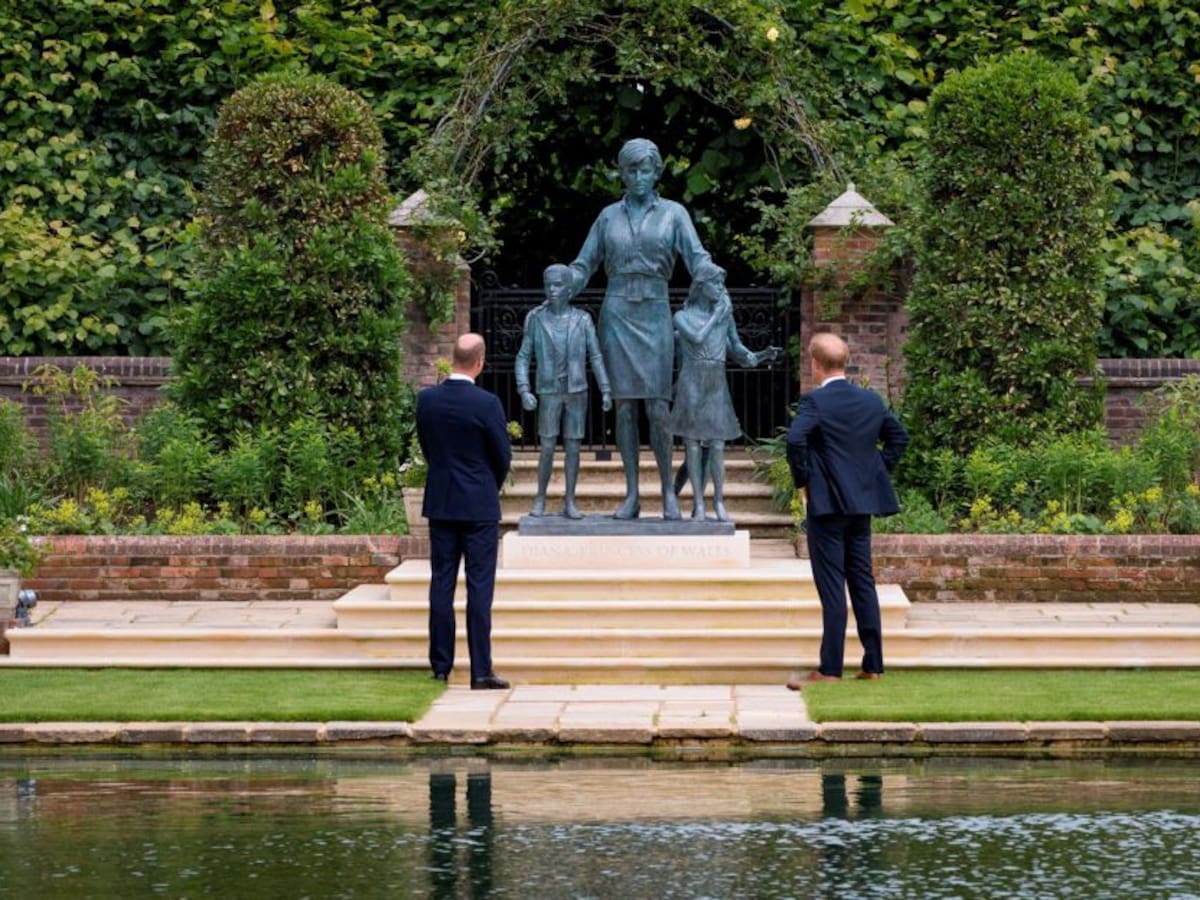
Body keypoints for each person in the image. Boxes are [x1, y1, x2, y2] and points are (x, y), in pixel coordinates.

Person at [569, 137, 714, 520]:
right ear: (622, 172)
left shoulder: (674, 214)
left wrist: (712, 276)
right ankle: (632, 494)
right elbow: (585, 264)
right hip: (616, 313)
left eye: (644, 169)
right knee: (625, 408)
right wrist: (566, 280)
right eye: (630, 169)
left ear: (657, 172)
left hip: (654, 311)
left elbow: (696, 258)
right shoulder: (607, 217)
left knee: (657, 406)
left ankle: (668, 490)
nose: (637, 177)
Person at [785, 333, 908, 687]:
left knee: (832, 588)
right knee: (862, 583)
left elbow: (795, 440)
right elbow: (898, 438)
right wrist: (874, 472)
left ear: (815, 363)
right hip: (861, 506)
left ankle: (829, 671)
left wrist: (803, 481)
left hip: (826, 508)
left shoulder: (815, 403)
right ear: (845, 361)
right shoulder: (870, 400)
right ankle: (873, 664)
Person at [416, 333, 512, 690]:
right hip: (479, 506)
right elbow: (502, 455)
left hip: (442, 502)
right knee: (479, 588)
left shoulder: (427, 400)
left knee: (441, 584)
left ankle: (441, 666)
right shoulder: (487, 404)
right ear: (479, 362)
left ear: (452, 358)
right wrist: (488, 484)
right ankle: (480, 671)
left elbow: (429, 449)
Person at [668, 262, 780, 521]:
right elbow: (696, 338)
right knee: (693, 446)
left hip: (716, 382)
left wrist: (761, 355)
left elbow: (738, 351)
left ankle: (718, 500)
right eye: (715, 283)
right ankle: (698, 504)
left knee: (717, 445)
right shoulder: (682, 317)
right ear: (701, 286)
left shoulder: (724, 316)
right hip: (692, 382)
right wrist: (717, 316)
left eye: (722, 283)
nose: (720, 288)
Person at [515, 263, 613, 519]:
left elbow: (596, 356)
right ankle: (540, 498)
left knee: (573, 448)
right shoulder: (536, 319)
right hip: (549, 391)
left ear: (570, 289)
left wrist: (605, 388)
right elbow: (523, 357)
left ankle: (569, 500)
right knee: (547, 447)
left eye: (558, 285)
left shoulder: (582, 320)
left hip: (576, 390)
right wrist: (524, 389)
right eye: (549, 285)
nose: (552, 290)